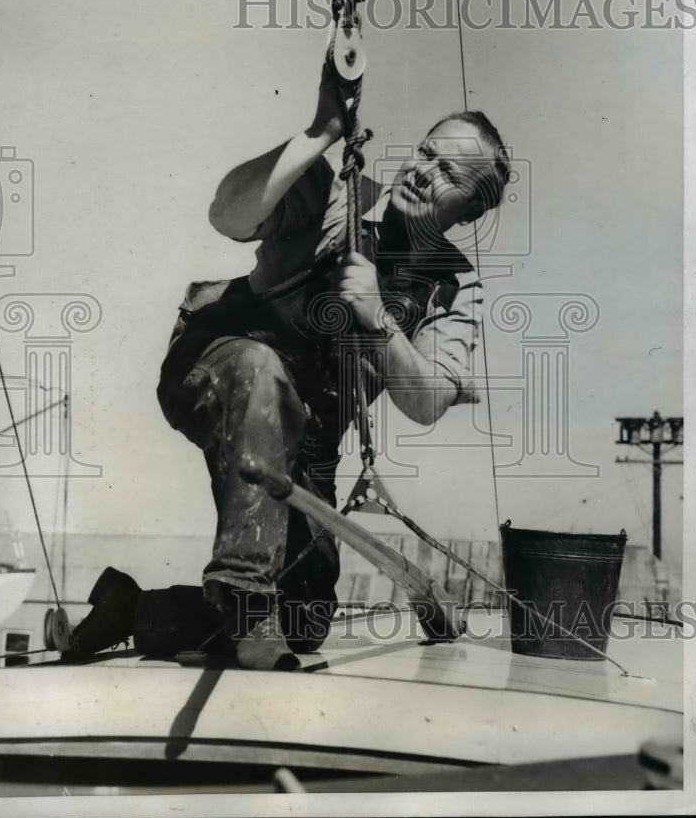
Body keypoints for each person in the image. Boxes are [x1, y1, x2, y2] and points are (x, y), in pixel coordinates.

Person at [64, 62, 509, 670]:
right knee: (261, 368)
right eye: (426, 153)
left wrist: (378, 316)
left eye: (449, 173)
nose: (423, 172)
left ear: (471, 210)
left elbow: (428, 401)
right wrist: (321, 132)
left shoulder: (454, 287)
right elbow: (227, 215)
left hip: (306, 445)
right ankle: (246, 596)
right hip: (215, 363)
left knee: (303, 623)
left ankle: (130, 609)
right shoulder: (338, 195)